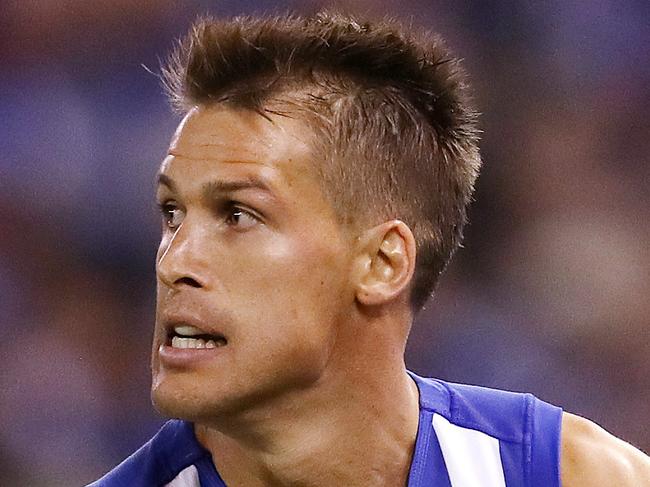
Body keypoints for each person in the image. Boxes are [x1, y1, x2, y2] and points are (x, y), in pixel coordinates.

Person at [90, 11, 650, 487]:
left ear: (383, 264)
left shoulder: (569, 474)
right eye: (172, 215)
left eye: (238, 215)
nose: (175, 261)